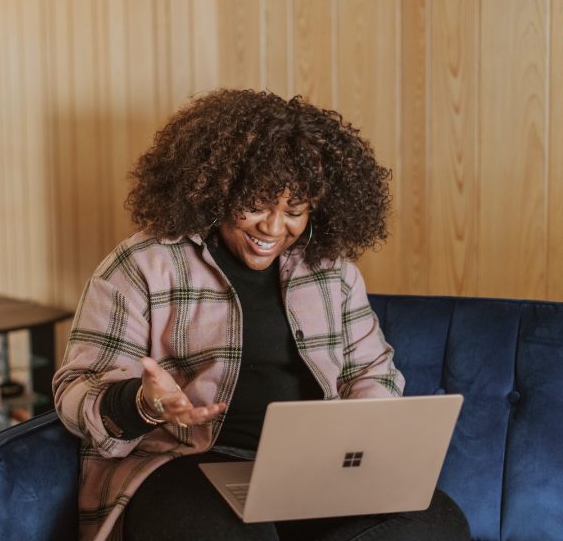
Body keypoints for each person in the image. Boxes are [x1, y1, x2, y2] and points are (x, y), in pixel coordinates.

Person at [52, 89, 470, 541]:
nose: (273, 228)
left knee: (436, 524)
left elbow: (371, 372)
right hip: (184, 465)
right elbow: (75, 391)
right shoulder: (143, 265)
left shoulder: (334, 273)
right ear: (217, 189)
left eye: (294, 211)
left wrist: (361, 438)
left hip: (312, 471)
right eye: (255, 205)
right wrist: (143, 402)